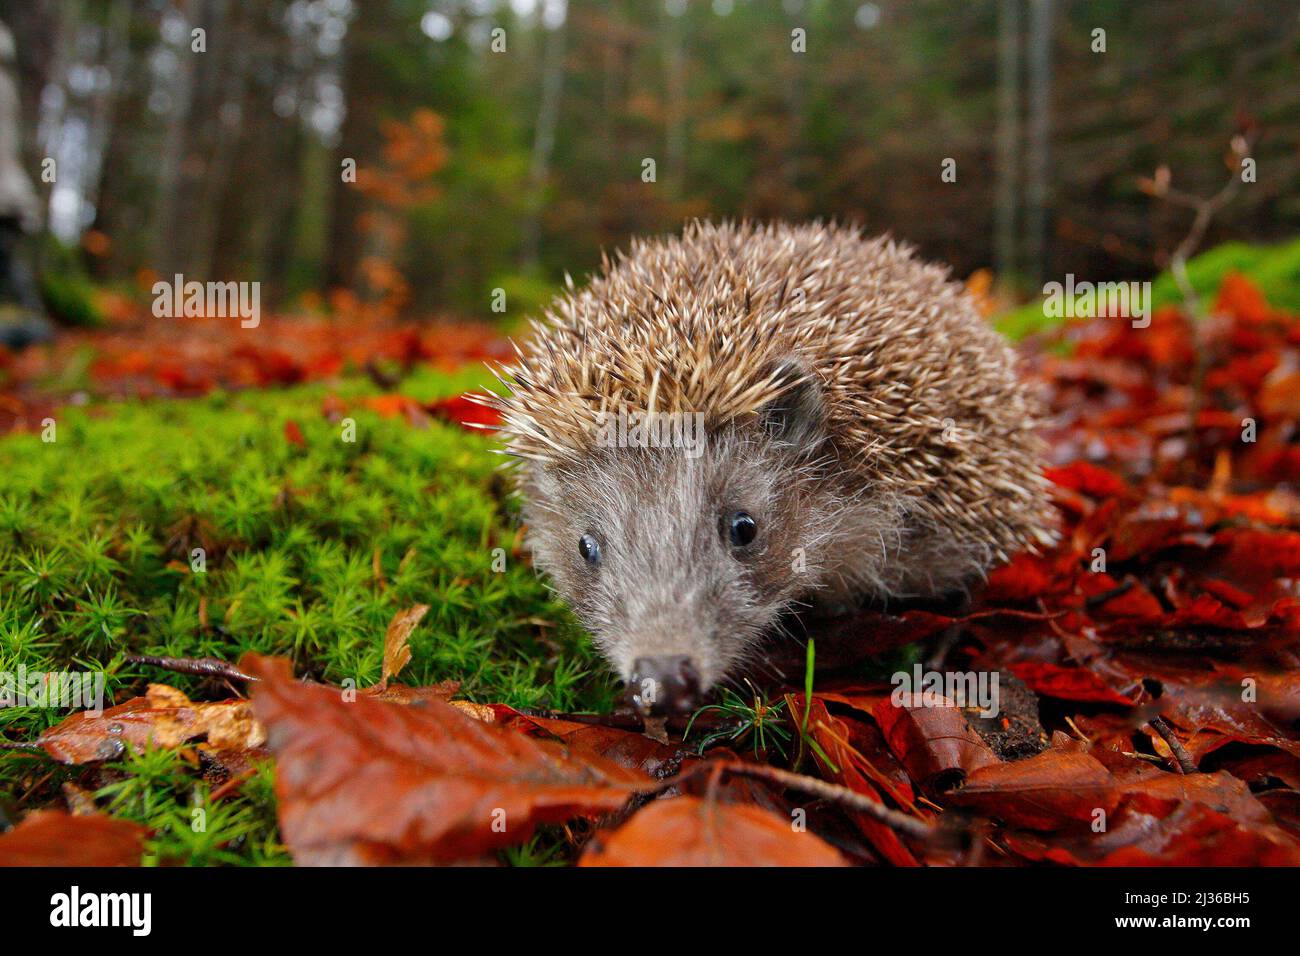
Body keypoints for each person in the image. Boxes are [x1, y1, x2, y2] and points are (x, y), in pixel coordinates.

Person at [0, 20, 53, 349]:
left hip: (6, 197)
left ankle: (31, 329)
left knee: (7, 265)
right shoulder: (7, 85)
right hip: (10, 195)